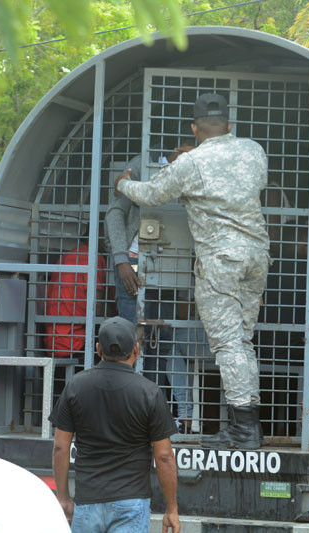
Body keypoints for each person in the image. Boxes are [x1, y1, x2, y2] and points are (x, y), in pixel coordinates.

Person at [115, 93, 270, 450]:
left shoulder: (192, 162)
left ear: (194, 129)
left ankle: (243, 430)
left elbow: (152, 194)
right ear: (230, 126)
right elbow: (254, 185)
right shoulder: (253, 151)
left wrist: (122, 182)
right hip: (257, 256)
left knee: (229, 344)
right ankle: (249, 425)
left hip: (221, 261)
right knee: (242, 342)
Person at [50, 316, 180, 533]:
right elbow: (164, 456)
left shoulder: (75, 387)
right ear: (136, 349)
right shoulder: (149, 393)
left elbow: (60, 447)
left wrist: (63, 497)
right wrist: (172, 509)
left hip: (87, 502)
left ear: (99, 349)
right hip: (131, 503)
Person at [105, 141, 195, 431]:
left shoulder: (194, 171)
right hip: (133, 267)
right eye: (191, 148)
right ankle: (129, 419)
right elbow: (115, 213)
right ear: (180, 145)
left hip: (171, 272)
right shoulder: (143, 164)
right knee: (130, 343)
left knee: (162, 347)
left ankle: (155, 419)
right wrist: (120, 260)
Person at [44, 244, 107, 357]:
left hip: (51, 343)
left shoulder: (66, 256)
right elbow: (97, 308)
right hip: (75, 343)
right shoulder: (93, 257)